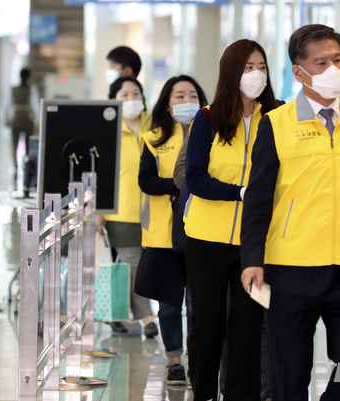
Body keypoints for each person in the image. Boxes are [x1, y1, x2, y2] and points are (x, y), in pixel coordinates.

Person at [240, 24, 340, 401]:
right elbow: (260, 199)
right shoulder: (277, 124)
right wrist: (253, 259)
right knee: (288, 376)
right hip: (291, 269)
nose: (333, 69)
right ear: (299, 72)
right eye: (321, 62)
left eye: (337, 59)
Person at [183, 39, 280, 401]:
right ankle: (204, 392)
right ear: (231, 72)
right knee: (207, 327)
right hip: (206, 240)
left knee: (248, 327)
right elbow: (194, 178)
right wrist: (240, 192)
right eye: (248, 67)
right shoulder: (208, 118)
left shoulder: (277, 117)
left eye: (262, 67)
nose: (257, 74)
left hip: (254, 244)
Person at [137, 75, 208, 385]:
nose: (187, 100)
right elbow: (145, 179)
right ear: (167, 103)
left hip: (200, 232)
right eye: (180, 96)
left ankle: (197, 361)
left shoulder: (211, 133)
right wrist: (178, 185)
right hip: (164, 234)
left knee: (197, 303)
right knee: (168, 305)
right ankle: (175, 361)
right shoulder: (153, 137)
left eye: (192, 95)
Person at [96, 76, 158, 338]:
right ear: (114, 100)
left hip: (153, 212)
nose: (131, 99)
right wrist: (99, 210)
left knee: (134, 268)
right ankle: (147, 319)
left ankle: (115, 314)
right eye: (124, 95)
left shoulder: (155, 128)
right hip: (119, 212)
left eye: (135, 93)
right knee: (132, 265)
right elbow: (98, 174)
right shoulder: (108, 132)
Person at [8, 68, 40, 176]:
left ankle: (16, 166)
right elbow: (35, 105)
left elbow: (7, 104)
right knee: (28, 146)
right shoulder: (32, 89)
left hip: (15, 119)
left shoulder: (13, 89)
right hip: (27, 120)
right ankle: (27, 166)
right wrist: (38, 119)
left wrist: (6, 118)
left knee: (14, 145)